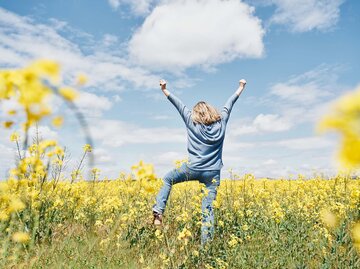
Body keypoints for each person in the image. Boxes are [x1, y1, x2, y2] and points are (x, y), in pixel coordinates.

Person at [152, 78, 247, 245]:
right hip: (213, 173)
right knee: (207, 210)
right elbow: (230, 103)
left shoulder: (191, 121)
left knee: (168, 179)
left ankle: (158, 212)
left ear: (195, 113)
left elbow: (178, 104)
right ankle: (206, 249)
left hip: (192, 168)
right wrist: (241, 87)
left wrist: (164, 90)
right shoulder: (222, 122)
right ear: (212, 111)